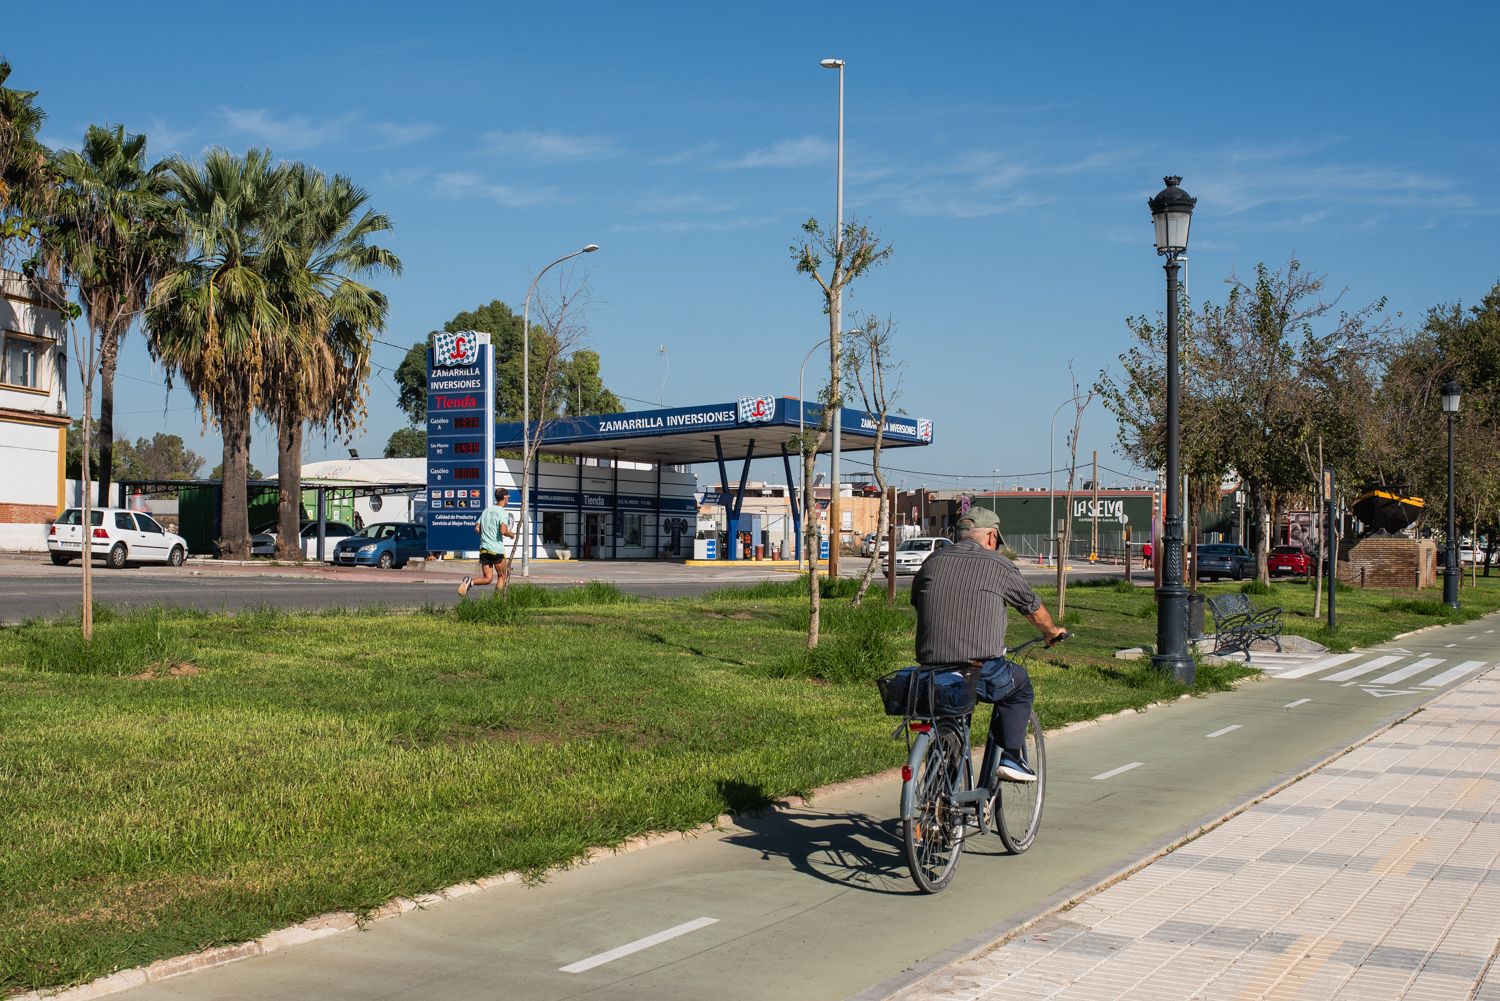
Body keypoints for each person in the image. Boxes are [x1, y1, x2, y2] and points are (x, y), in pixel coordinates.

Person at [910, 506, 1066, 783]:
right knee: (1019, 686)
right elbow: (1032, 607)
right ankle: (1012, 757)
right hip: (979, 669)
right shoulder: (998, 564)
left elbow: (916, 601)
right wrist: (1051, 631)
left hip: (930, 670)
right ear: (991, 537)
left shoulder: (931, 562)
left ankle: (939, 798)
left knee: (949, 717)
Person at [458, 488, 516, 596]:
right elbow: (503, 531)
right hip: (496, 550)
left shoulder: (486, 511)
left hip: (484, 549)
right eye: (507, 498)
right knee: (502, 576)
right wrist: (511, 534)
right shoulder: (503, 512)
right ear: (505, 498)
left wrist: (487, 536)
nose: (507, 500)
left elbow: (477, 528)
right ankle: (496, 601)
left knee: (488, 578)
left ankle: (470, 582)